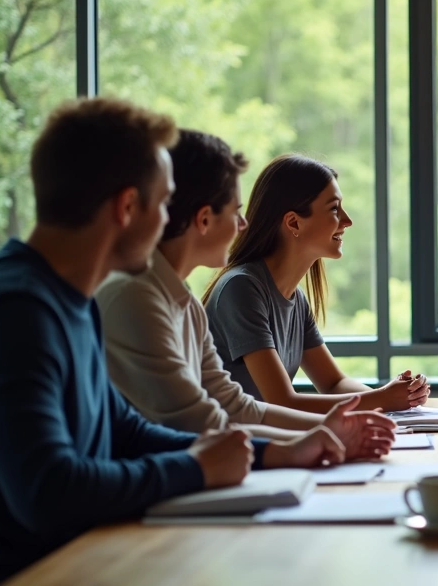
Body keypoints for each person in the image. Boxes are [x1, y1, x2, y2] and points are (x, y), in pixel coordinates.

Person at [0, 99, 357, 586]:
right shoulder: (16, 310)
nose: (169, 222)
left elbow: (124, 432)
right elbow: (50, 491)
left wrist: (272, 454)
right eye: (163, 203)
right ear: (128, 208)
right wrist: (197, 467)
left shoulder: (71, 300)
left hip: (79, 566)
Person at [96, 129, 397, 454]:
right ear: (204, 219)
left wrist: (334, 429)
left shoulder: (185, 303)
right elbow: (197, 421)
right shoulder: (138, 297)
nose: (243, 225)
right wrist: (300, 446)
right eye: (236, 211)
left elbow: (234, 407)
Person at [203, 154, 430, 414]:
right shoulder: (241, 288)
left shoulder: (296, 299)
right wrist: (382, 399)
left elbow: (334, 383)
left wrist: (398, 396)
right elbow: (282, 402)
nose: (347, 220)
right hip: (228, 447)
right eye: (334, 209)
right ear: (293, 222)